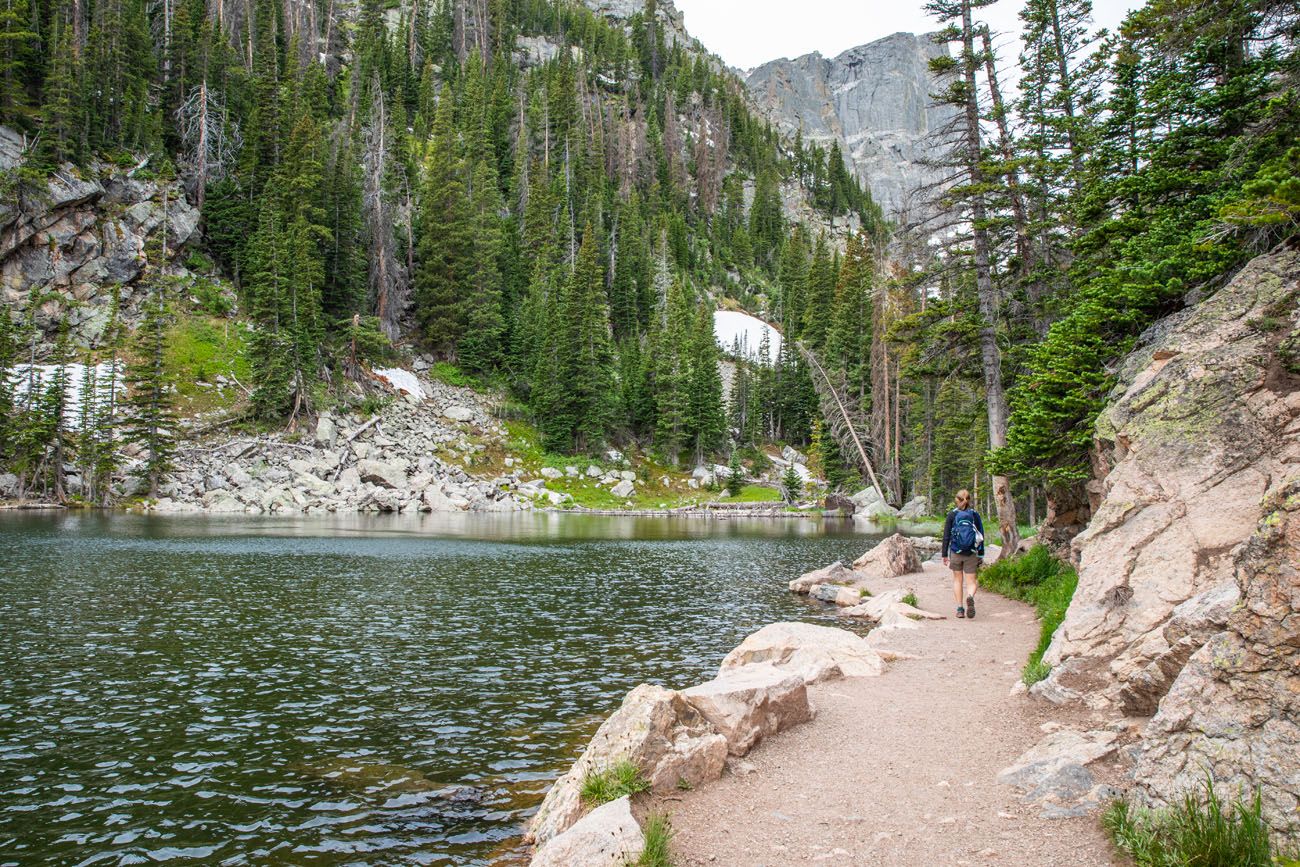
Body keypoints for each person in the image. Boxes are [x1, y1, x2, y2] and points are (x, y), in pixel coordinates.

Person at [942, 489, 985, 619]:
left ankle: (960, 609)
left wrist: (944, 554)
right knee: (971, 581)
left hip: (956, 551)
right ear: (969, 500)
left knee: (957, 580)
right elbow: (980, 534)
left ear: (957, 500)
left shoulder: (952, 515)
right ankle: (970, 597)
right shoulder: (974, 514)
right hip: (971, 552)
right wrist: (981, 553)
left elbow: (946, 536)